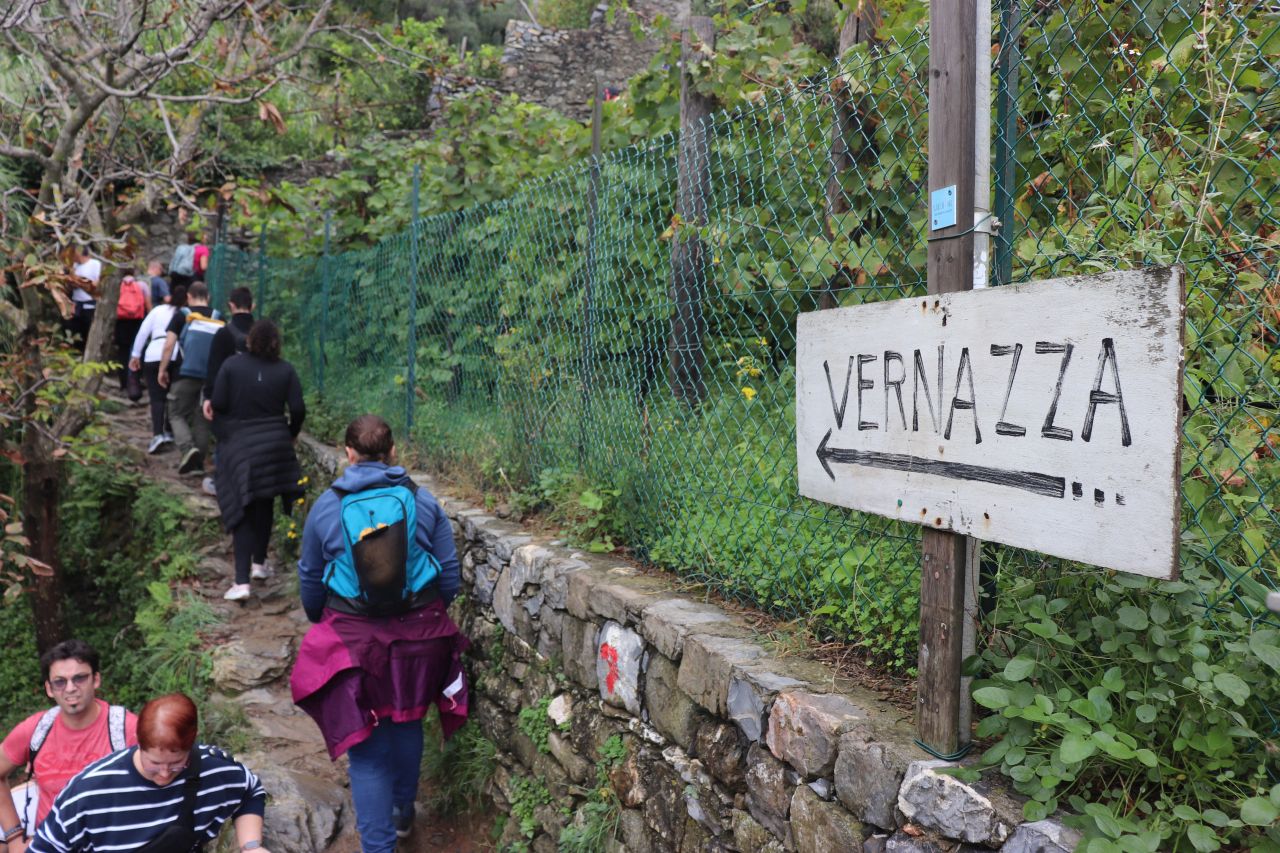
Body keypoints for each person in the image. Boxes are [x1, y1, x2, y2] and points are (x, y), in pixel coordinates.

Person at [290, 415, 467, 853]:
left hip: (355, 639)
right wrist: (426, 616)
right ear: (393, 453)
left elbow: (311, 579)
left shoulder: (327, 507)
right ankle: (403, 813)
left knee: (367, 749)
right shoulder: (422, 502)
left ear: (348, 454)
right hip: (419, 637)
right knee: (408, 722)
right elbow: (449, 576)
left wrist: (323, 619)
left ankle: (379, 847)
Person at [28, 693, 269, 853]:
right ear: (138, 744)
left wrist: (251, 845)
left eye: (176, 764)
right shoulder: (88, 792)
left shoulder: (213, 769)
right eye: (154, 763)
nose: (164, 774)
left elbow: (250, 791)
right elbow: (44, 848)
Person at [0, 640, 138, 850]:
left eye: (79, 678)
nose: (71, 688)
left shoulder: (126, 729)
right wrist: (13, 837)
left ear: (96, 679)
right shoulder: (35, 730)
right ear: (49, 688)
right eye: (60, 682)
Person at [210, 319, 305, 601]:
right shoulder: (285, 370)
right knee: (264, 502)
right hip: (276, 445)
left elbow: (218, 403)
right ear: (277, 342)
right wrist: (290, 433)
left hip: (241, 445)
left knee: (242, 509)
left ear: (250, 340)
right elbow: (298, 408)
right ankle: (259, 564)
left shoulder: (231, 365)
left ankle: (241, 583)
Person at [158, 282, 222, 476]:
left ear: (189, 296)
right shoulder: (218, 317)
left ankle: (187, 449)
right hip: (210, 378)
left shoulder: (182, 315)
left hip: (185, 374)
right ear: (208, 297)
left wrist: (162, 369)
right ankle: (198, 463)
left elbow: (169, 345)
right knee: (202, 418)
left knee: (175, 412)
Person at [130, 285, 187, 454]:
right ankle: (169, 431)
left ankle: (157, 434)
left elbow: (143, 331)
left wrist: (135, 355)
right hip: (176, 354)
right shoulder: (186, 313)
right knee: (172, 395)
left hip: (153, 353)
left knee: (156, 398)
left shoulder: (158, 310)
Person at [114, 272, 151, 394]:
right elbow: (148, 306)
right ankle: (135, 382)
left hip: (121, 322)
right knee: (137, 351)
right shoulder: (142, 285)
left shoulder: (117, 285)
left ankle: (123, 384)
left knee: (123, 353)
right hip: (137, 322)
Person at [67, 247, 101, 352]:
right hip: (76, 305)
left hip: (90, 306)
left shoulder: (95, 264)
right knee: (76, 336)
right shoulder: (74, 266)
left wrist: (82, 283)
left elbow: (99, 282)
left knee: (89, 335)